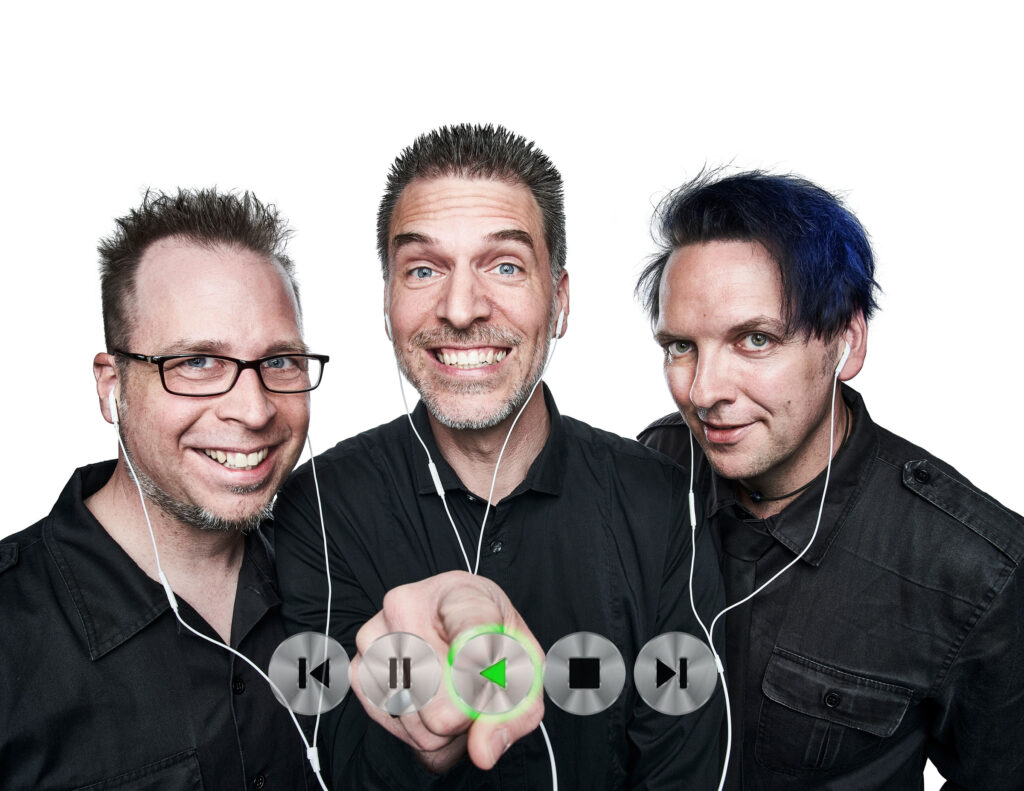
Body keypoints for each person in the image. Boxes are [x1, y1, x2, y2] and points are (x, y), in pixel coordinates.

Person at [275, 124, 725, 789]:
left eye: (506, 265)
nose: (460, 309)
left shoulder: (661, 503)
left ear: (560, 300)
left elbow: (683, 766)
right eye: (423, 269)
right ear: (387, 302)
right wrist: (425, 724)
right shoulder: (319, 506)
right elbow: (333, 762)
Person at [635, 170, 1024, 790]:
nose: (703, 392)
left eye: (755, 340)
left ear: (847, 343)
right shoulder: (648, 469)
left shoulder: (977, 572)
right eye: (681, 346)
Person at [0, 189, 329, 789]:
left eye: (280, 361)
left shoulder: (341, 575)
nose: (254, 410)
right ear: (112, 386)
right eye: (197, 362)